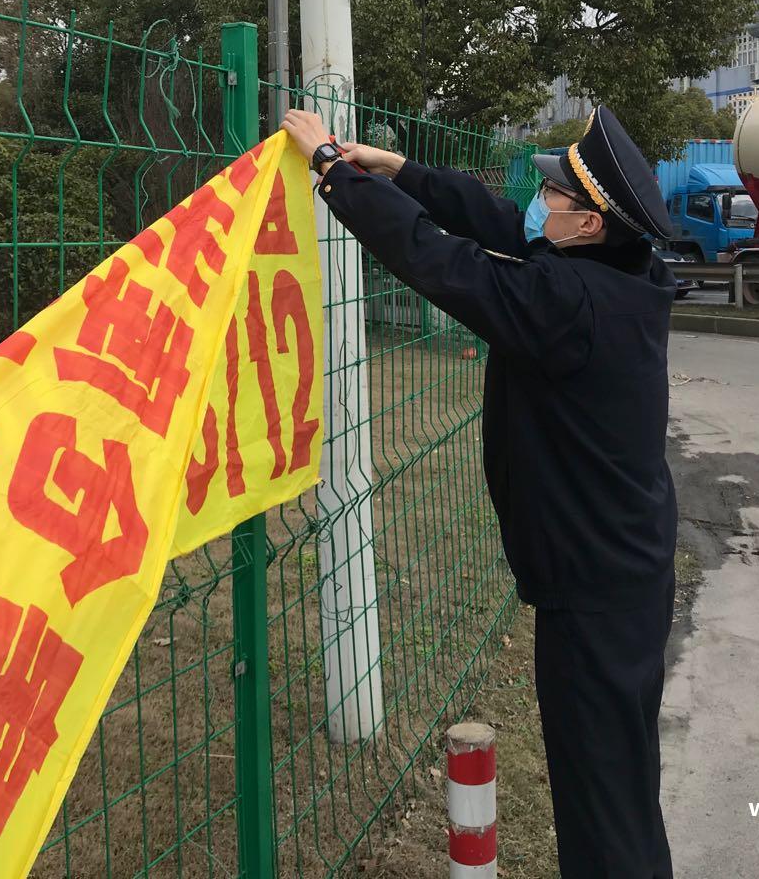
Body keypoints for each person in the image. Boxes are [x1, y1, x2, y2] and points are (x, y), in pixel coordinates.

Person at [281, 104, 679, 878]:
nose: (537, 201)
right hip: (624, 571)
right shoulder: (624, 274)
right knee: (622, 783)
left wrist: (334, 170)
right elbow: (496, 221)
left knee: (602, 805)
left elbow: (441, 261)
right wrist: (401, 170)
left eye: (554, 195)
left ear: (587, 225)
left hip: (593, 594)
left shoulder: (566, 302)